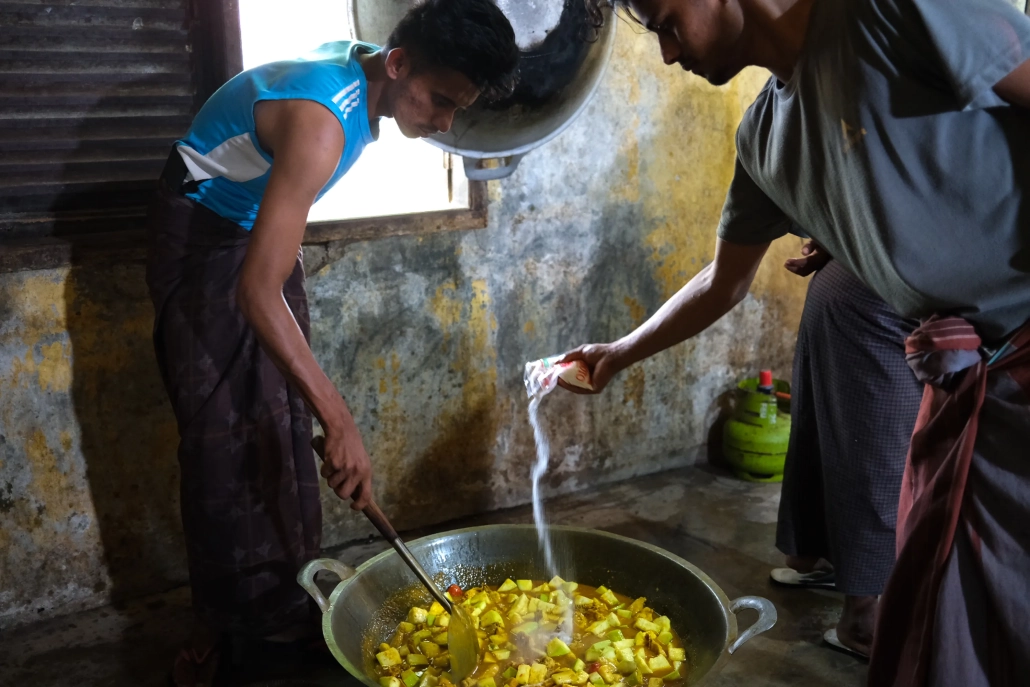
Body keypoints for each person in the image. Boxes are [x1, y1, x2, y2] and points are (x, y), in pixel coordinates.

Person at [567, 0, 1030, 684]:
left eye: (665, 20)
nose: (667, 54)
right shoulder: (765, 137)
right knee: (950, 621)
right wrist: (620, 351)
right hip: (972, 385)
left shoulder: (889, 12)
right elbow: (722, 283)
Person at [144, 2, 518, 684]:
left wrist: (323, 415)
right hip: (203, 238)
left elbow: (268, 265)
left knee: (285, 422)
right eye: (439, 100)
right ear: (399, 65)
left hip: (250, 234)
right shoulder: (321, 122)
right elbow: (257, 291)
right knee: (225, 441)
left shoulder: (372, 67)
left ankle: (285, 606)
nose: (443, 122)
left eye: (456, 108)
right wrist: (341, 418)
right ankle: (225, 634)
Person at [771, 238, 922, 659]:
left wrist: (839, 240)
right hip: (884, 304)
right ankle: (862, 623)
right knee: (878, 457)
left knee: (833, 434)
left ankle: (814, 556)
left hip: (850, 283)